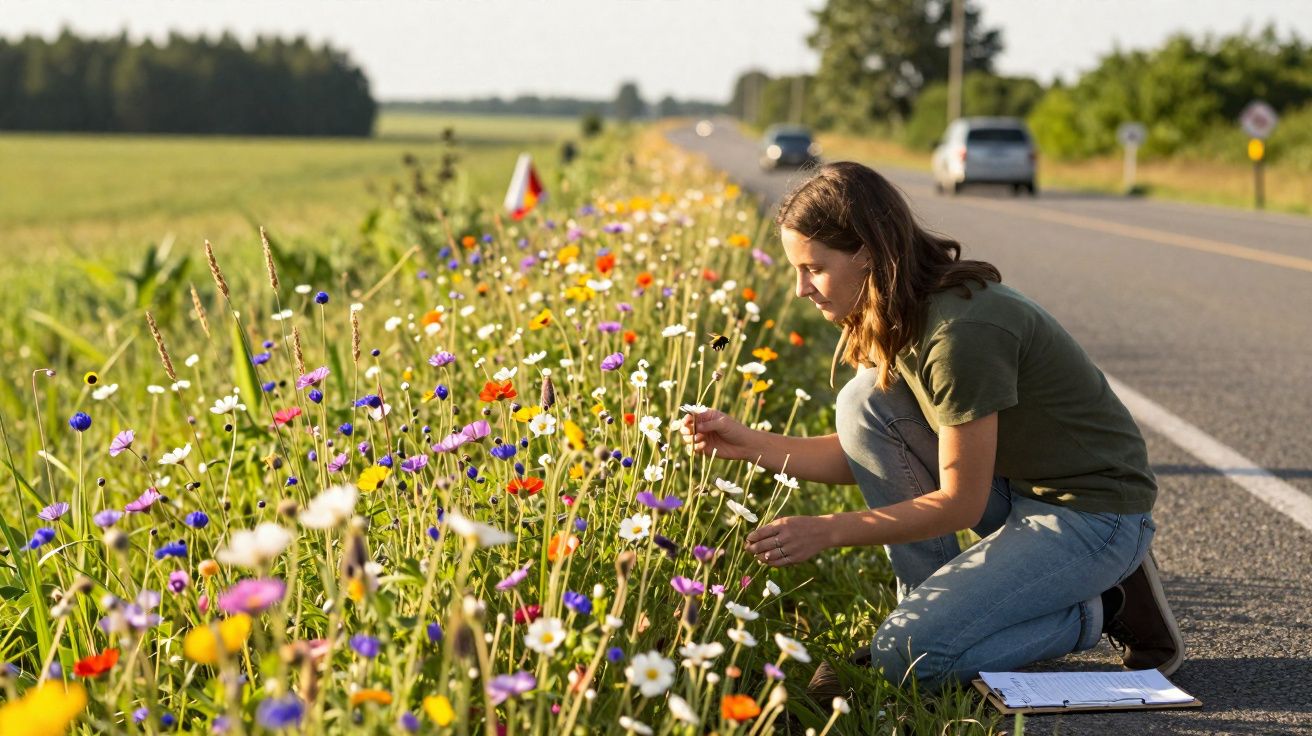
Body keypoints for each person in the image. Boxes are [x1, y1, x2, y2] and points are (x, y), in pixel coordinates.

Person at [678, 161, 1184, 696]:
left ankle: (1102, 606)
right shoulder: (895, 312)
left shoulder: (958, 334)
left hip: (1093, 513)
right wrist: (745, 444)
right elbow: (868, 452)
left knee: (911, 663)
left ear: (868, 253)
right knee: (862, 404)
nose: (802, 288)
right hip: (1016, 489)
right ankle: (925, 616)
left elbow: (961, 504)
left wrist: (828, 530)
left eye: (814, 268)